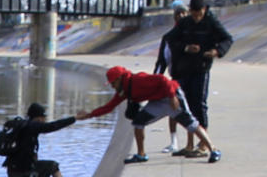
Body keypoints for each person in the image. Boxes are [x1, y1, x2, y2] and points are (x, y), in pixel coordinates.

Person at [78, 66, 219, 164]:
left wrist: (172, 97)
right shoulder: (124, 90)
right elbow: (109, 107)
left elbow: (163, 80)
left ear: (120, 78)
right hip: (157, 103)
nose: (112, 86)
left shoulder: (138, 79)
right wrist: (89, 115)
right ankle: (141, 155)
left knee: (191, 124)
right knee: (138, 122)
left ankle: (213, 150)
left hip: (172, 96)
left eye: (113, 82)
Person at [164, 0, 233, 154]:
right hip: (184, 69)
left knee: (199, 105)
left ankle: (202, 144)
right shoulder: (185, 23)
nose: (196, 18)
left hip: (201, 68)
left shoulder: (211, 22)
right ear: (190, 11)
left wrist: (216, 51)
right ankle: (189, 145)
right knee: (185, 105)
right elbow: (170, 39)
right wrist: (185, 48)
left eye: (199, 15)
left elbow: (227, 39)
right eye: (194, 15)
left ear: (204, 10)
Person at [0, 101, 86, 177]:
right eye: (43, 117)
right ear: (38, 117)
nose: (44, 120)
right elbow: (52, 126)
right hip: (21, 173)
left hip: (23, 168)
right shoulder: (32, 126)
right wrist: (74, 118)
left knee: (53, 167)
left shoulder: (23, 126)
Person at [151, 6, 187, 153]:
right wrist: (155, 79)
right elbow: (162, 61)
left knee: (195, 109)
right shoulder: (168, 37)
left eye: (184, 13)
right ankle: (174, 142)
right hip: (176, 78)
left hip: (193, 76)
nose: (181, 16)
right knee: (174, 109)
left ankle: (195, 143)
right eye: (178, 14)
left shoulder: (193, 34)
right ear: (174, 17)